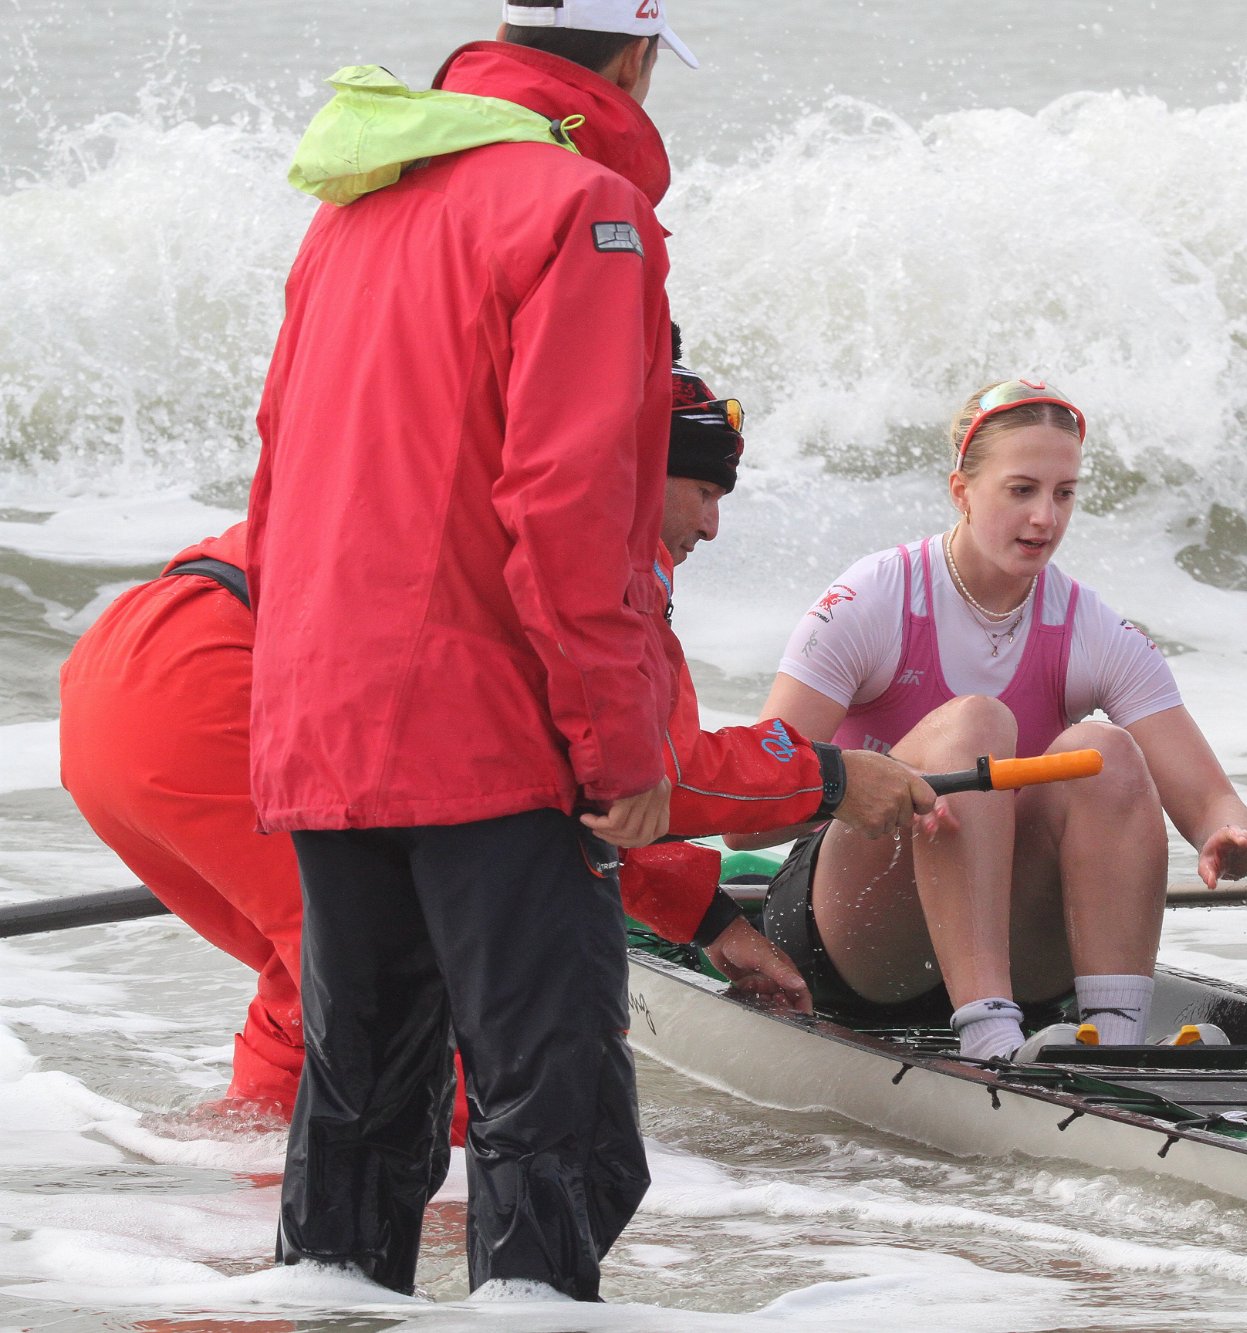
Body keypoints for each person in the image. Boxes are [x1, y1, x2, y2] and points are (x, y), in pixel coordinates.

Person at [242, 4, 905, 1301]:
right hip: (486, 738)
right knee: (566, 1142)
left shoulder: (354, 203)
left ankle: (319, 1308)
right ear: (635, 59)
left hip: (324, 717)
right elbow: (570, 499)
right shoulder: (583, 205)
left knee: (361, 1120)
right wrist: (617, 751)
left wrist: (299, 694)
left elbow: (280, 471)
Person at [56, 358, 924, 1118]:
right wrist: (834, 780)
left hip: (123, 676)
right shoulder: (594, 541)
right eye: (704, 490)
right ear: (637, 473)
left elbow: (558, 782)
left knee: (326, 979)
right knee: (417, 1022)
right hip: (219, 689)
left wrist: (704, 917)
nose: (711, 527)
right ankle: (404, 1276)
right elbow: (652, 767)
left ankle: (224, 1195)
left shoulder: (504, 492)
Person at [733, 378, 1247, 1062]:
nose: (1045, 518)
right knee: (975, 727)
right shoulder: (873, 599)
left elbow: (1207, 796)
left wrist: (1228, 833)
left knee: (1102, 751)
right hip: (856, 942)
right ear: (961, 489)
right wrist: (861, 786)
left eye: (1064, 493)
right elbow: (743, 815)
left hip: (1011, 942)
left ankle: (1113, 1041)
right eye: (1021, 490)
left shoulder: (1088, 627)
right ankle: (990, 1038)